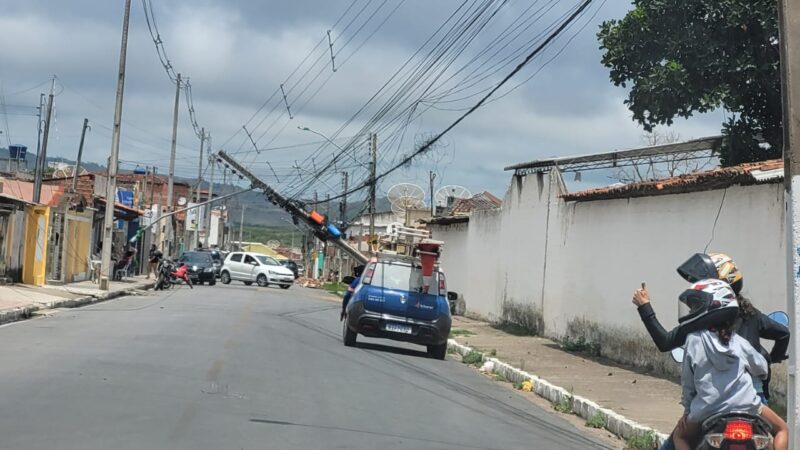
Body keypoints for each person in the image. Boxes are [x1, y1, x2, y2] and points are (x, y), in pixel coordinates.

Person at [633, 253, 790, 450]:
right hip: (750, 401)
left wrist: (645, 307)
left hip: (706, 409)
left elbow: (682, 373)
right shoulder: (747, 318)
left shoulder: (695, 333)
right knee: (781, 430)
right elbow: (773, 348)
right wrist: (770, 361)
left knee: (677, 440)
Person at [672, 279, 787, 450]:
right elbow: (762, 367)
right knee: (782, 429)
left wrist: (687, 412)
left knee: (679, 436)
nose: (691, 311)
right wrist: (759, 373)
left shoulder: (694, 340)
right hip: (748, 407)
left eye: (695, 306)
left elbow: (688, 385)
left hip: (706, 411)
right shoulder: (737, 341)